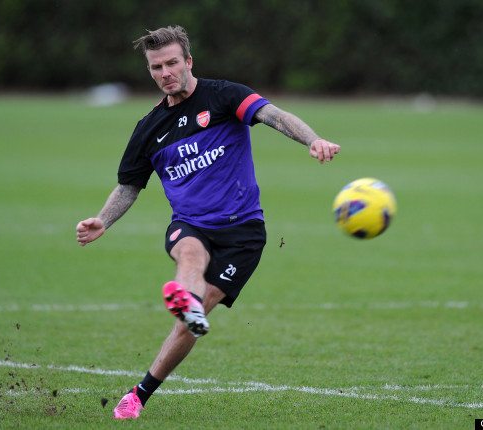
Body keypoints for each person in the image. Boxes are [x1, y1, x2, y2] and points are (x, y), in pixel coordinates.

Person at [76, 25, 340, 420]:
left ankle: (140, 392)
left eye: (171, 63)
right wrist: (103, 220)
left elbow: (274, 116)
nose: (165, 73)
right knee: (189, 253)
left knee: (188, 326)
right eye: (156, 67)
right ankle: (188, 302)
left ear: (188, 61)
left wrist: (313, 140)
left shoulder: (224, 96)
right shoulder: (148, 129)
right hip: (191, 224)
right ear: (149, 70)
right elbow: (129, 186)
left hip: (244, 234)